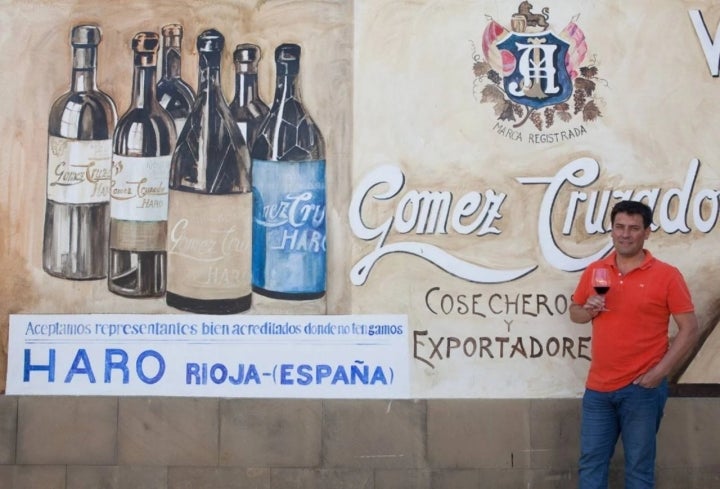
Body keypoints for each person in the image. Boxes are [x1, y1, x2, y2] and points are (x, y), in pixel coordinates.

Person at [569, 200, 699, 489]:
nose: (625, 234)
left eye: (633, 228)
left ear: (647, 232)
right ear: (612, 230)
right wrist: (587, 309)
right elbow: (575, 313)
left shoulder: (667, 275)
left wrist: (658, 373)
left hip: (642, 389)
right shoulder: (595, 271)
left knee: (639, 470)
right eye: (619, 227)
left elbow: (689, 329)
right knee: (590, 464)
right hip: (598, 390)